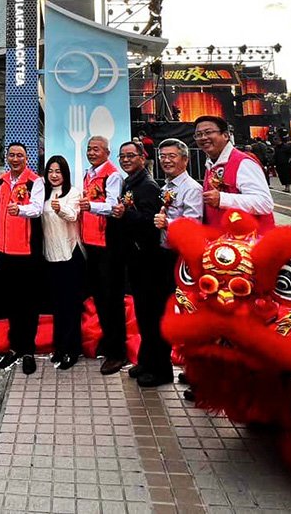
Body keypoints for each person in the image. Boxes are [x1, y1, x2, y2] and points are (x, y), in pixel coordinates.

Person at [112, 141, 170, 388]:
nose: (125, 160)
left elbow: (150, 224)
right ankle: (146, 361)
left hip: (150, 262)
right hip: (136, 260)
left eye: (130, 156)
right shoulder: (131, 182)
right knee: (144, 316)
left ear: (142, 157)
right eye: (122, 156)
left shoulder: (147, 186)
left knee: (154, 316)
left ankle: (162, 370)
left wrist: (125, 214)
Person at [146, 138, 204, 387]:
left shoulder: (191, 188)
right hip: (163, 255)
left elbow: (194, 223)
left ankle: (193, 373)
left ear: (185, 159)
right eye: (163, 156)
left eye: (172, 156)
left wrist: (168, 224)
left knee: (184, 314)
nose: (166, 160)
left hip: (180, 259)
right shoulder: (167, 186)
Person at [0, 142, 45, 375]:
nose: (15, 159)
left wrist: (20, 210)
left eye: (20, 156)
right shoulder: (1, 181)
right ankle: (14, 347)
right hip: (4, 252)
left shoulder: (36, 181)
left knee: (29, 303)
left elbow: (37, 209)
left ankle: (28, 350)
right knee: (11, 301)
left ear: (27, 158)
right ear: (7, 157)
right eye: (12, 155)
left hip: (26, 253)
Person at [79, 135, 125, 375]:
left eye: (96, 149)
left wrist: (91, 206)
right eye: (89, 149)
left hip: (106, 244)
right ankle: (109, 343)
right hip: (91, 244)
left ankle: (117, 352)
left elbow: (113, 205)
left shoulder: (112, 174)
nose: (92, 152)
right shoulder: (90, 173)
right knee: (99, 297)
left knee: (111, 299)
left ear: (107, 152)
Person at [193, 116, 274, 234]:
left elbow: (264, 203)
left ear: (226, 135)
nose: (203, 138)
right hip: (223, 245)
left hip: (248, 243)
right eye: (198, 134)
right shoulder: (211, 163)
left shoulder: (243, 162)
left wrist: (222, 199)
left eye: (208, 132)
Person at [40, 154, 83, 370]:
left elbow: (74, 216)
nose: (54, 175)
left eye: (58, 171)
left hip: (69, 254)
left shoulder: (73, 193)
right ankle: (59, 347)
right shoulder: (44, 194)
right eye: (50, 171)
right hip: (50, 255)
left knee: (71, 305)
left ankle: (72, 349)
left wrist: (60, 209)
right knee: (57, 305)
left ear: (65, 174)